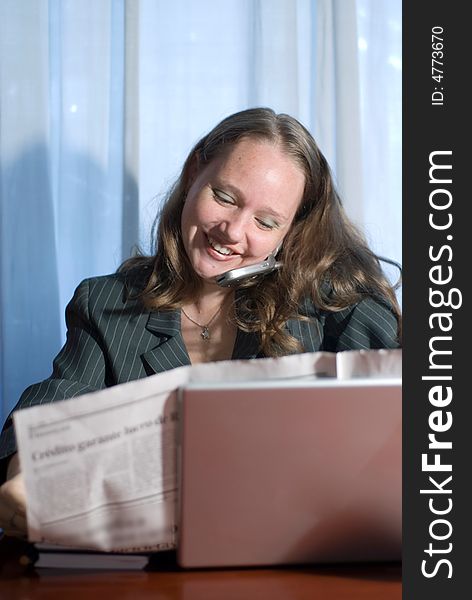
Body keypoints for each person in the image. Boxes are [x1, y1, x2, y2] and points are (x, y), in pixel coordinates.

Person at [0, 107, 401, 538]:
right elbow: (54, 409)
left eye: (266, 222)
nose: (232, 231)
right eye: (225, 197)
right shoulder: (106, 302)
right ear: (194, 173)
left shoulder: (333, 302)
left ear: (291, 232)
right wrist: (28, 475)